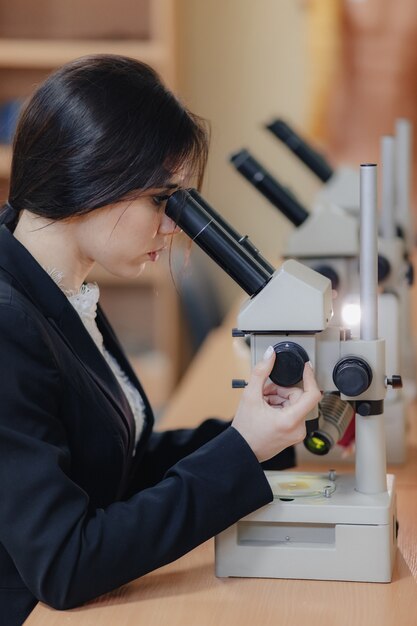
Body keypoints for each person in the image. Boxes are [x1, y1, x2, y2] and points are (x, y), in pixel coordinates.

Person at [0, 54, 321, 626]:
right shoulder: (7, 322)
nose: (173, 227)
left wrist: (271, 441)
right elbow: (65, 564)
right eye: (161, 200)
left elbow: (111, 466)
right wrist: (241, 451)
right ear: (90, 175)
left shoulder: (58, 286)